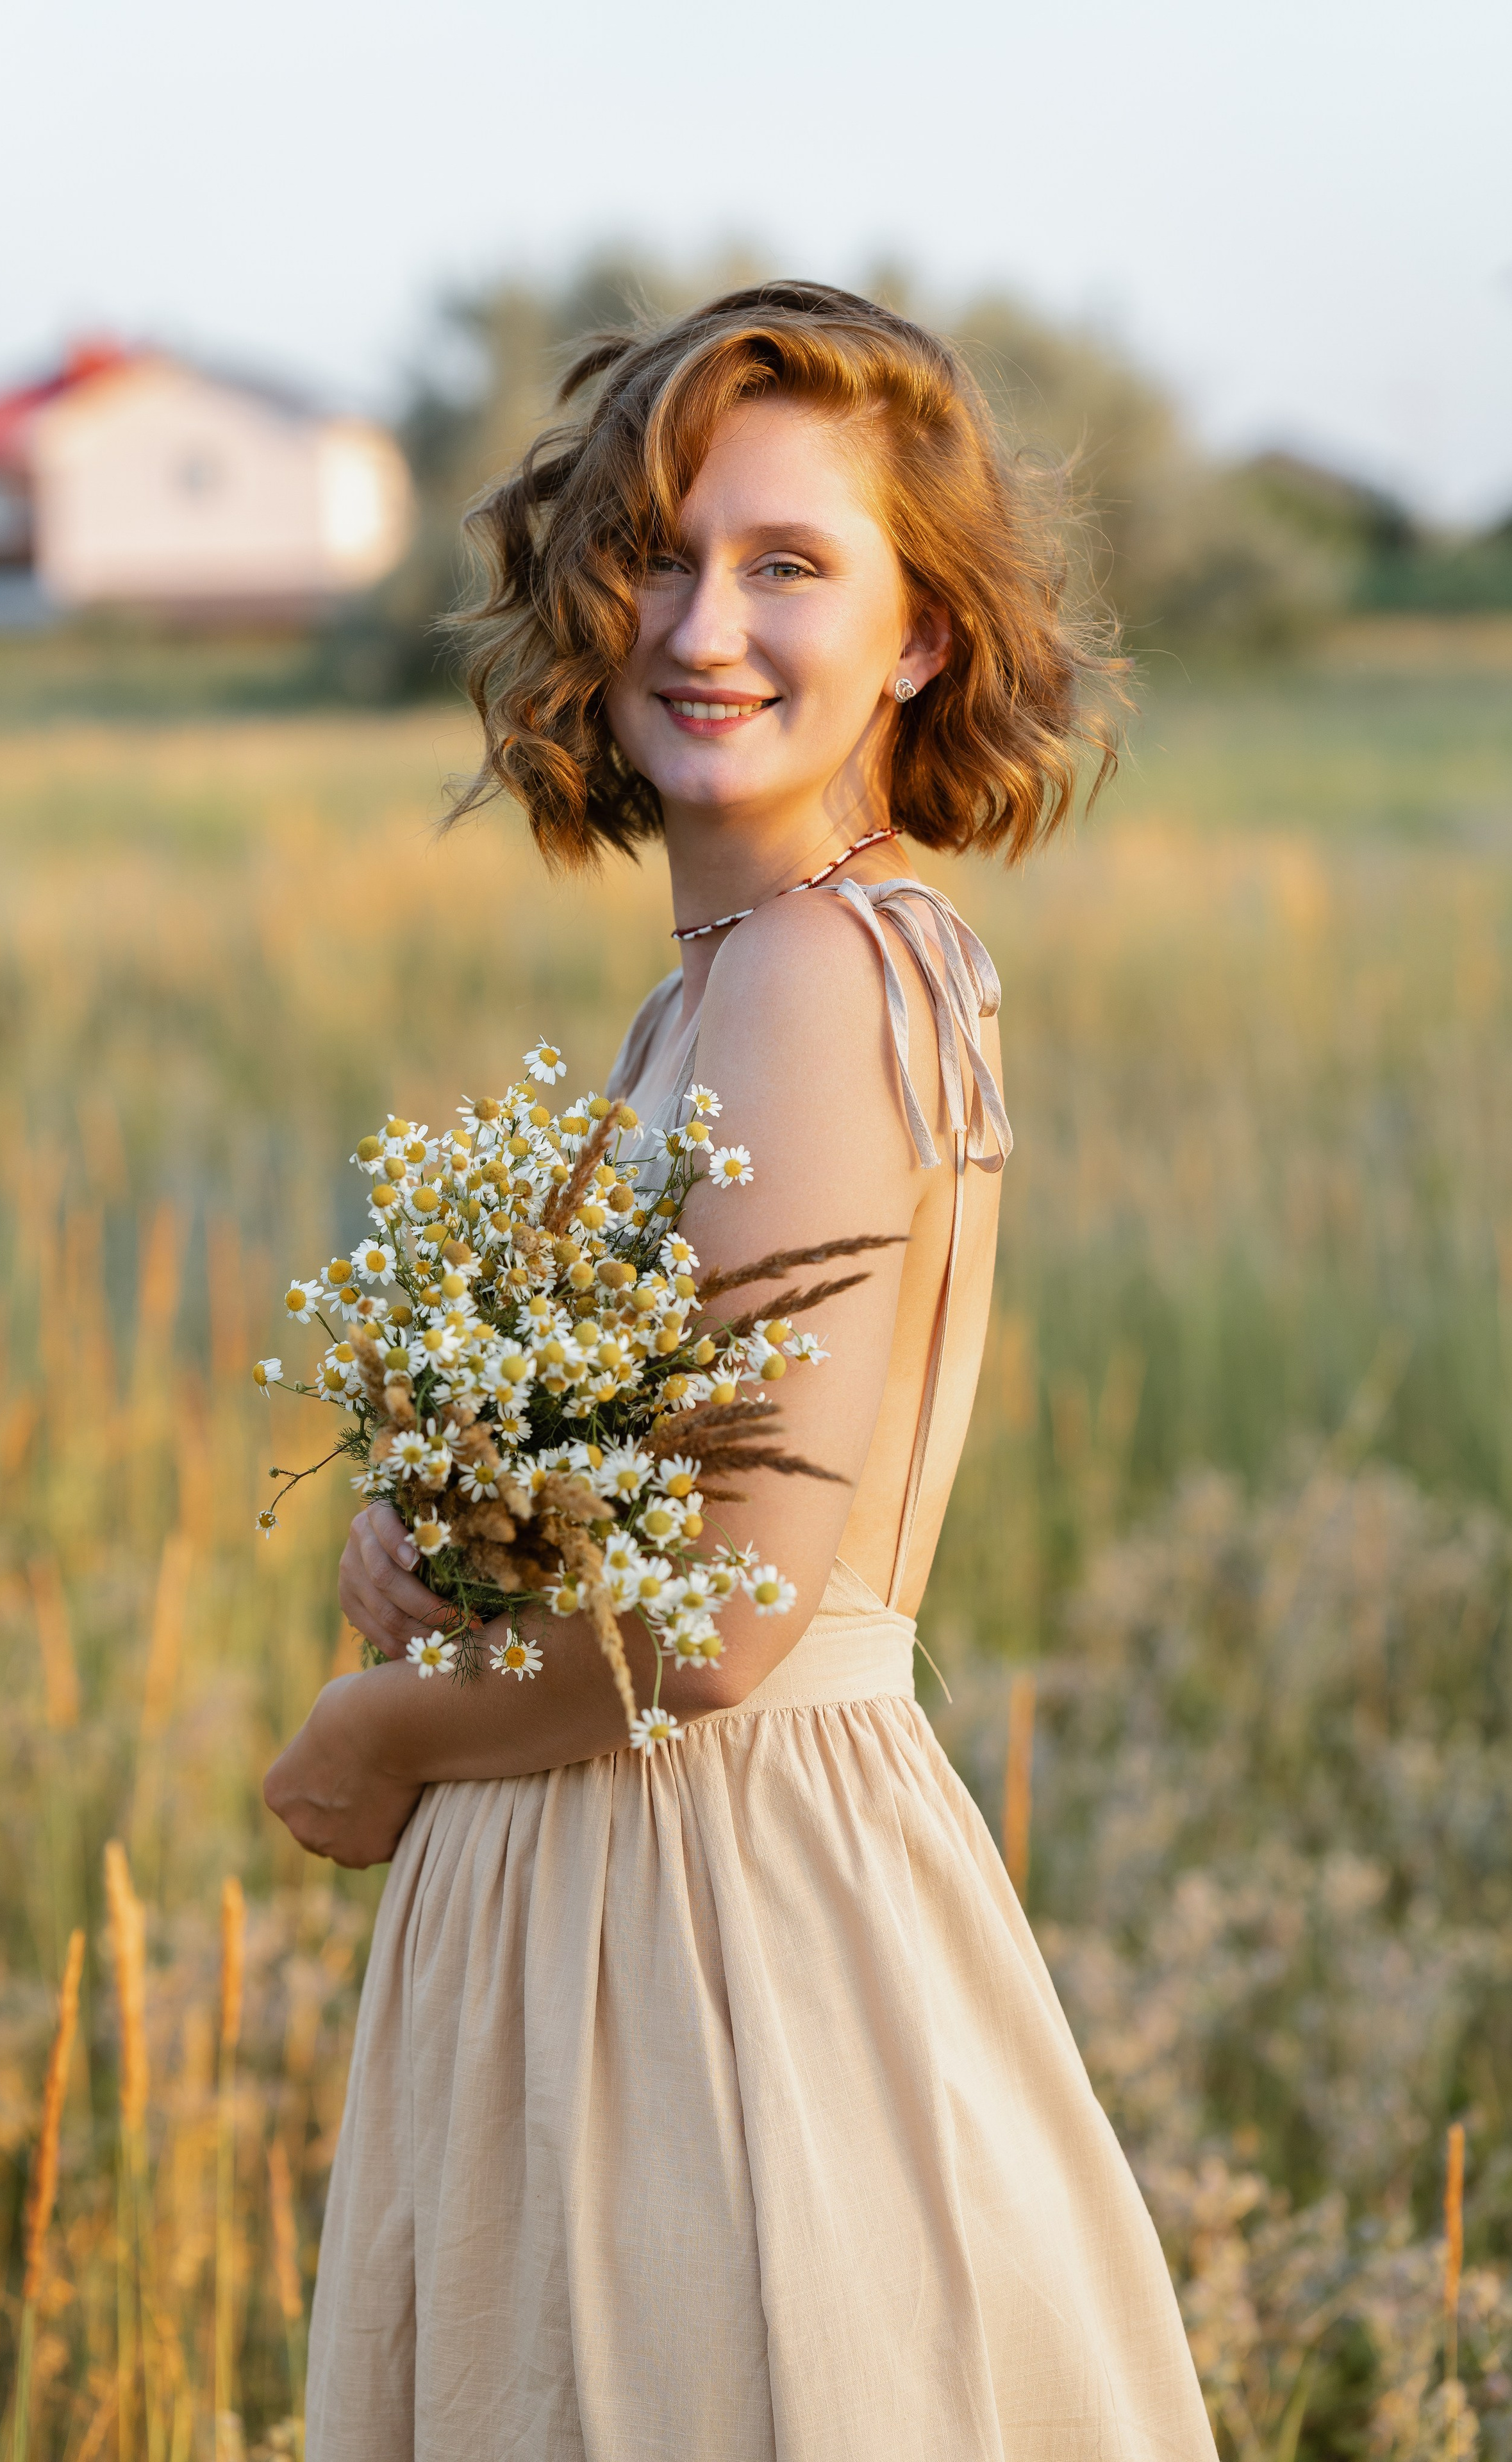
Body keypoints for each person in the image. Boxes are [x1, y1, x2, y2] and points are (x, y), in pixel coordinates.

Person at [265, 281, 1217, 2461]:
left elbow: (735, 1616)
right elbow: (686, 1487)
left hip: (709, 1934)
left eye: (791, 565)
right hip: (688, 1910)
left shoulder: (801, 965)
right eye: (666, 557)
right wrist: (456, 1507)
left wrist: (371, 1737)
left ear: (918, 641)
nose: (707, 624)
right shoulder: (790, 966)